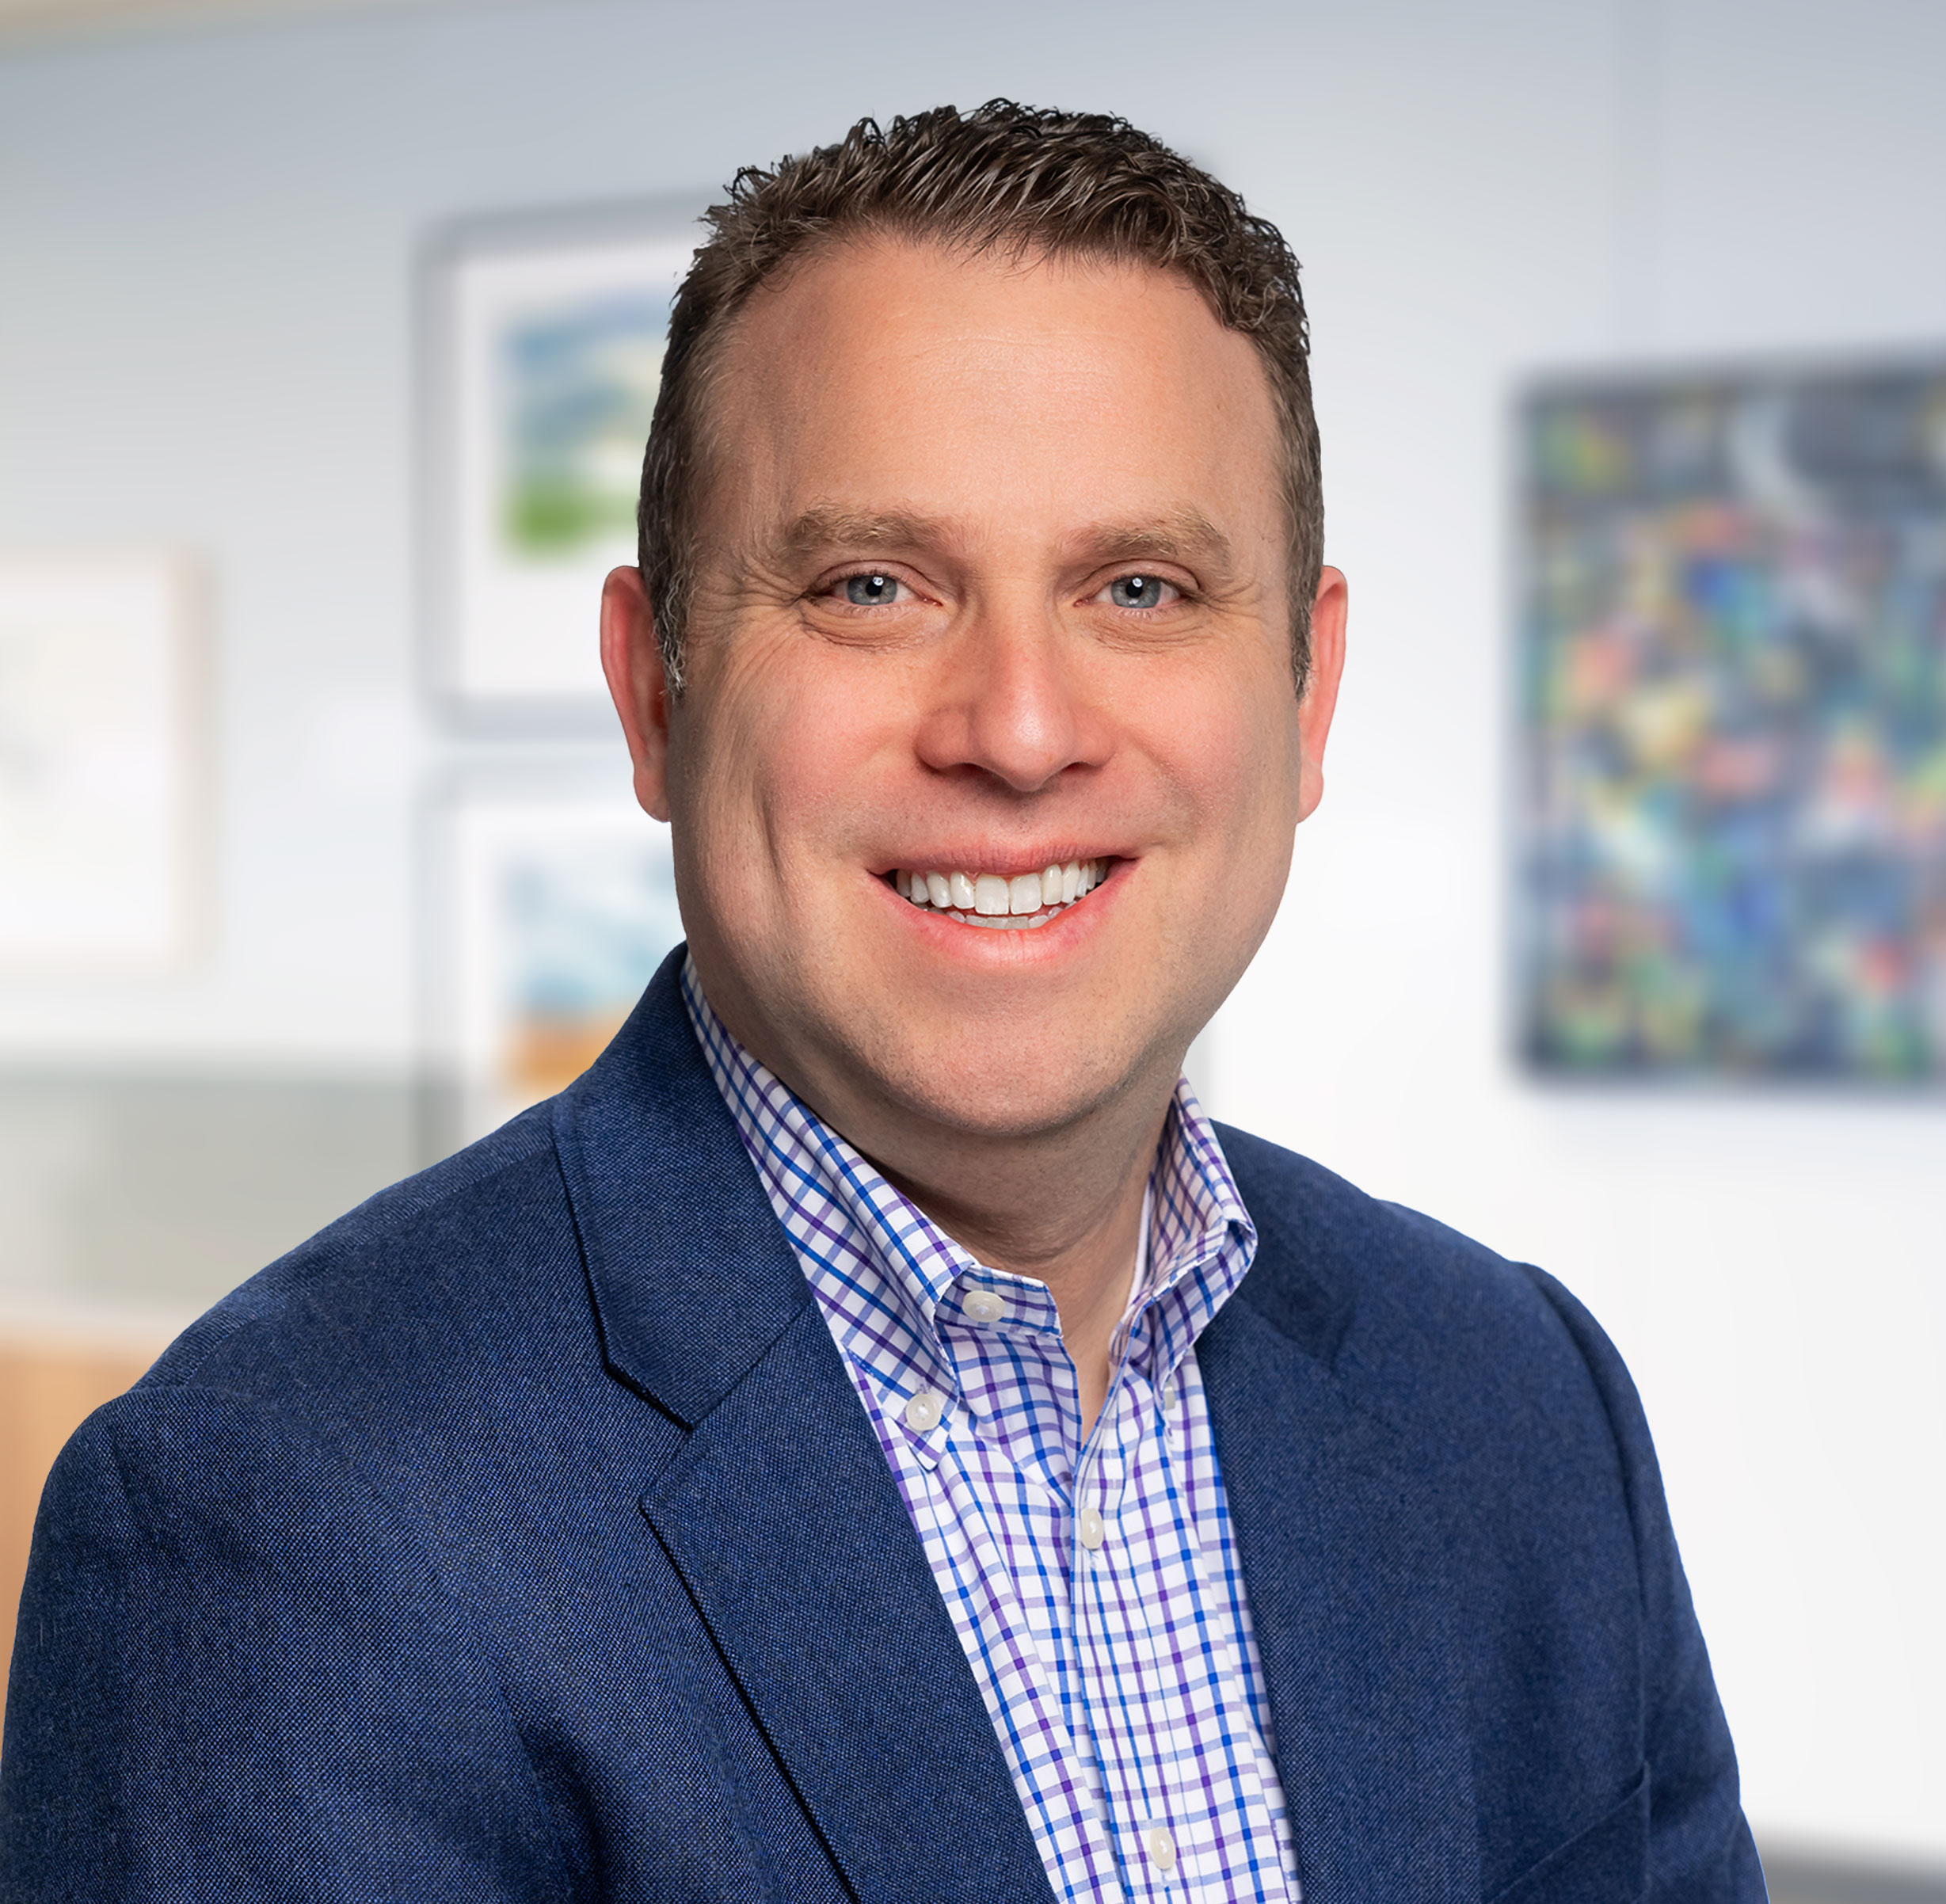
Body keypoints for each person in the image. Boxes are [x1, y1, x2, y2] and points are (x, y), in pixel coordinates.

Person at [0, 103, 1763, 1902]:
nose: (1018, 728)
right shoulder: (273, 1521)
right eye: (870, 587)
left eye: (1138, 587)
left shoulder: (1516, 1400)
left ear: (1305, 701)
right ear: (654, 694)